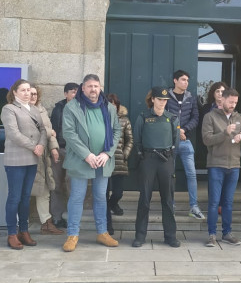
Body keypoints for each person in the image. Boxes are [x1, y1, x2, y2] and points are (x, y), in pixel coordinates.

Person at [61, 74, 121, 252]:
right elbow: (69, 133)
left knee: (101, 198)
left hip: (102, 161)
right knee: (77, 198)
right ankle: (72, 234)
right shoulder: (72, 107)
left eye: (96, 86)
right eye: (89, 86)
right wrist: (87, 155)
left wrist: (107, 154)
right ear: (83, 88)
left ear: (100, 87)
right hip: (81, 160)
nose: (93, 89)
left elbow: (116, 131)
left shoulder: (108, 107)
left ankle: (102, 232)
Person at [202, 87, 241, 247]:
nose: (233, 105)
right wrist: (225, 133)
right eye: (230, 102)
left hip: (234, 166)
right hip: (216, 165)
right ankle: (212, 234)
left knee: (228, 202)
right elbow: (206, 139)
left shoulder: (239, 117)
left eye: (235, 102)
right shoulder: (210, 116)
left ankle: (227, 233)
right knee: (214, 202)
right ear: (222, 99)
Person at [1, 79, 47, 250]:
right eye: (23, 90)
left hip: (32, 158)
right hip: (16, 159)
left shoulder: (34, 109)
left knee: (26, 197)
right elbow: (13, 133)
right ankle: (12, 233)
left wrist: (41, 145)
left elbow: (43, 129)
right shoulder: (9, 109)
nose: (27, 93)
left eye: (29, 90)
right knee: (14, 197)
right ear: (14, 92)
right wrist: (34, 146)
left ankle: (24, 231)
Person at [132, 87, 181, 248]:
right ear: (152, 99)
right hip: (148, 160)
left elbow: (176, 142)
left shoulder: (172, 118)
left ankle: (170, 236)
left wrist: (170, 159)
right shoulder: (143, 117)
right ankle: (140, 236)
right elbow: (137, 139)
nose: (162, 102)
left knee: (167, 200)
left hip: (165, 160)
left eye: (165, 100)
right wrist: (143, 156)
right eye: (160, 99)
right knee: (144, 199)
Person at [165, 70, 204, 220]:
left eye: (187, 80)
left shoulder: (191, 98)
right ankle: (170, 205)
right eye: (183, 79)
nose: (186, 82)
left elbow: (196, 117)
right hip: (169, 142)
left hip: (185, 141)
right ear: (175, 80)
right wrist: (176, 130)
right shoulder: (166, 97)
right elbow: (163, 115)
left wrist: (184, 129)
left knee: (192, 174)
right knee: (170, 175)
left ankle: (193, 207)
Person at [28, 85, 63, 235]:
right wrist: (49, 132)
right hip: (28, 154)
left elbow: (50, 131)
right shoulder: (17, 110)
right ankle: (19, 225)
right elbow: (30, 130)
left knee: (44, 190)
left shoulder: (41, 110)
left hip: (43, 156)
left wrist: (54, 148)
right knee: (24, 191)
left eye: (35, 94)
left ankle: (46, 223)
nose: (33, 96)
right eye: (30, 93)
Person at [49, 82, 79, 228]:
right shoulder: (58, 109)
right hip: (60, 150)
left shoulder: (82, 108)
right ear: (65, 94)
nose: (75, 95)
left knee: (73, 184)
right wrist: (53, 148)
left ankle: (73, 217)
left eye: (77, 92)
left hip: (76, 152)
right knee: (56, 184)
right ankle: (57, 216)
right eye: (72, 92)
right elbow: (52, 130)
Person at [105, 93, 134, 235]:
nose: (111, 106)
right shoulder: (100, 119)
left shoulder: (124, 120)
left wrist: (125, 154)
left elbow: (130, 140)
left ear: (117, 106)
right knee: (103, 195)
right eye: (108, 104)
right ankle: (108, 226)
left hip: (119, 162)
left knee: (118, 192)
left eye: (114, 104)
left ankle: (113, 204)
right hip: (103, 162)